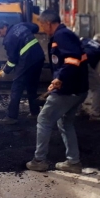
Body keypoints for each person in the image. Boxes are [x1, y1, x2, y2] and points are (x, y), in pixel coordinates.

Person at [26, 9, 89, 174]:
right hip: (78, 89)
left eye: (42, 24)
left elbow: (73, 60)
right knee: (65, 122)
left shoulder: (62, 36)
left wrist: (60, 78)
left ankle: (39, 160)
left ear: (48, 23)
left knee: (44, 119)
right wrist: (58, 78)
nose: (41, 28)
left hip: (68, 90)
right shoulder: (64, 35)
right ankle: (73, 162)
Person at [0, 21, 45, 125]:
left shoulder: (8, 40)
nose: (0, 35)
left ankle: (11, 117)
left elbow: (13, 60)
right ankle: (35, 113)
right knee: (32, 87)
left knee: (16, 88)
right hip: (39, 57)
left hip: (27, 61)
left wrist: (4, 71)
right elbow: (35, 27)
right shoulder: (20, 25)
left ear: (4, 27)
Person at [81, 34, 100, 122]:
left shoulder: (84, 39)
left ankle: (76, 110)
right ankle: (95, 114)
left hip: (72, 63)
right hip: (86, 65)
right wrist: (94, 80)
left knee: (79, 87)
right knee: (97, 89)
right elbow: (98, 70)